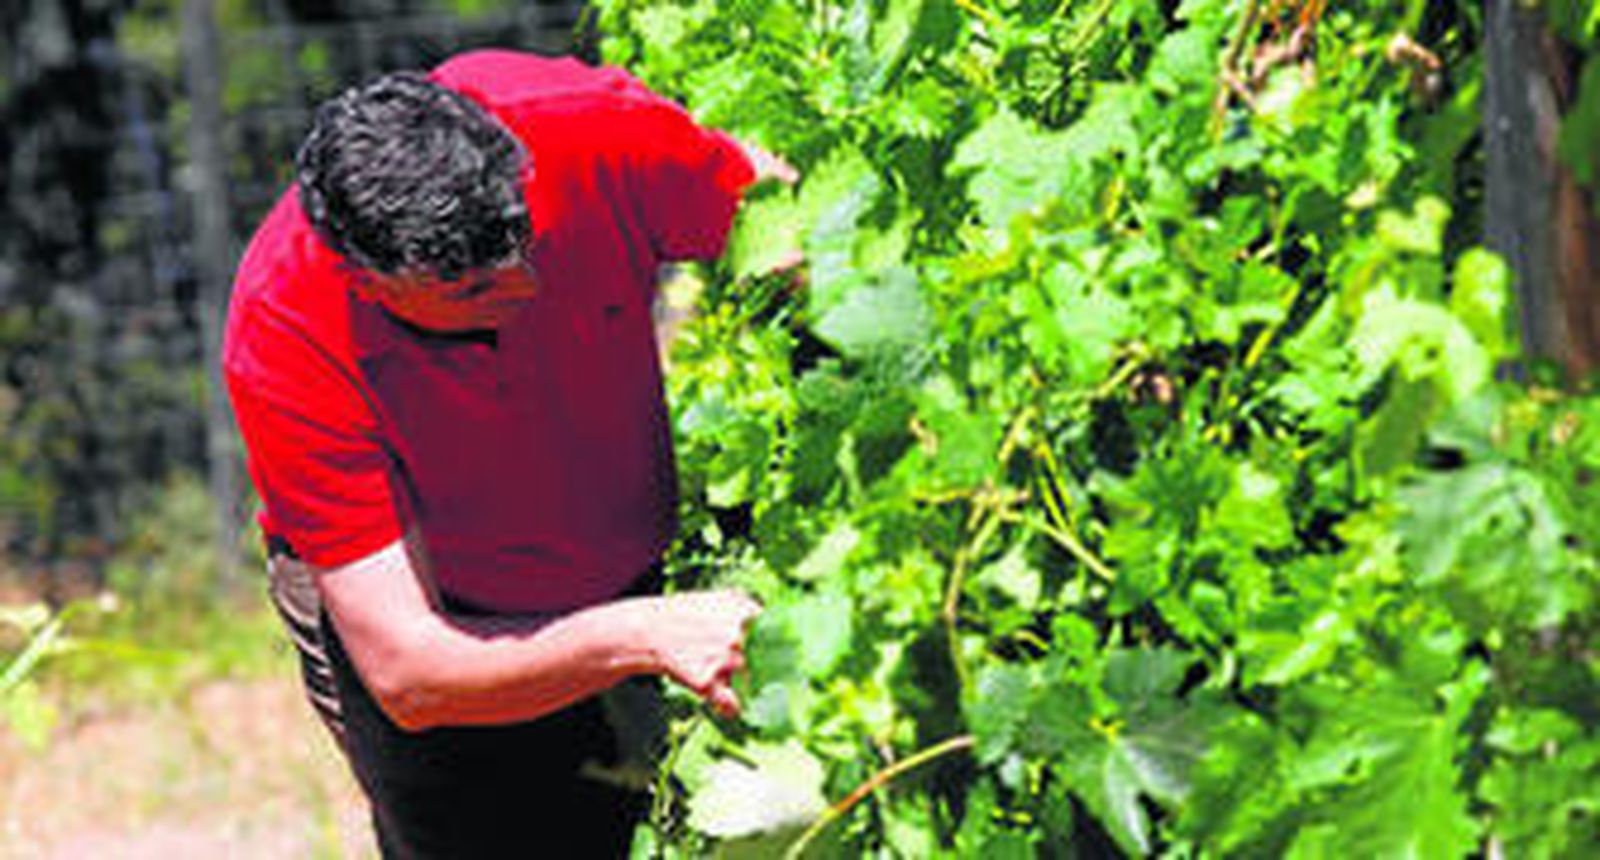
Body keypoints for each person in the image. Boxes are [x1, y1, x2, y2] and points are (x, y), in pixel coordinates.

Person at [222, 49, 787, 857]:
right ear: (367, 281)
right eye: (472, 290)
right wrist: (640, 636)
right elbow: (411, 672)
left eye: (523, 239)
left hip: (628, 561)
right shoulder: (285, 333)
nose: (523, 283)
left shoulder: (587, 132)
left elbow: (793, 226)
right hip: (444, 633)